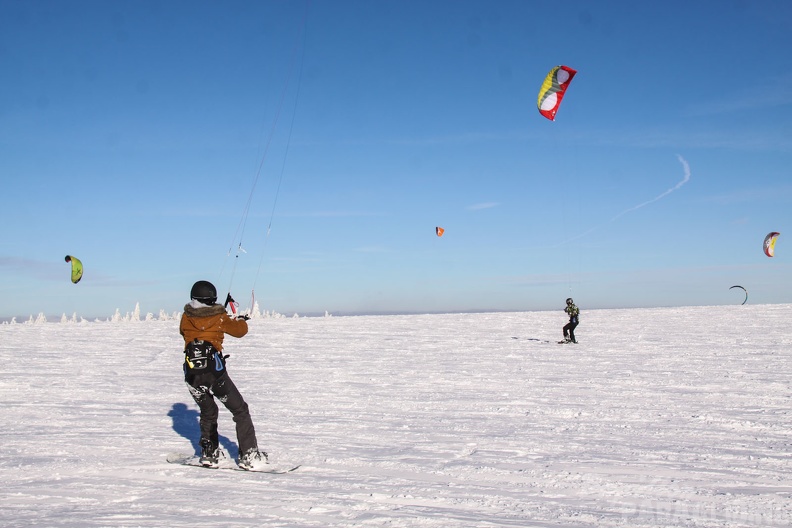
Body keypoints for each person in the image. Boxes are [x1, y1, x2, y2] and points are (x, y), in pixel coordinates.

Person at [180, 280, 268, 470]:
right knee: (240, 410)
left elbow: (184, 332)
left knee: (208, 412)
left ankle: (209, 454)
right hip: (214, 375)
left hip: (192, 376)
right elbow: (240, 331)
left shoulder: (185, 317)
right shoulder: (219, 317)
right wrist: (241, 320)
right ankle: (249, 455)